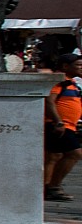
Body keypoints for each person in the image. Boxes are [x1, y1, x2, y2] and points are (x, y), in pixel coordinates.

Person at [46, 51, 82, 203]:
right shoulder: (60, 81)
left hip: (69, 126)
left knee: (54, 156)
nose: (81, 68)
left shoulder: (72, 83)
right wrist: (58, 121)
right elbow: (49, 101)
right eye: (78, 65)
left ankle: (48, 187)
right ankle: (54, 187)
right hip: (60, 126)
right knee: (75, 153)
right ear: (65, 66)